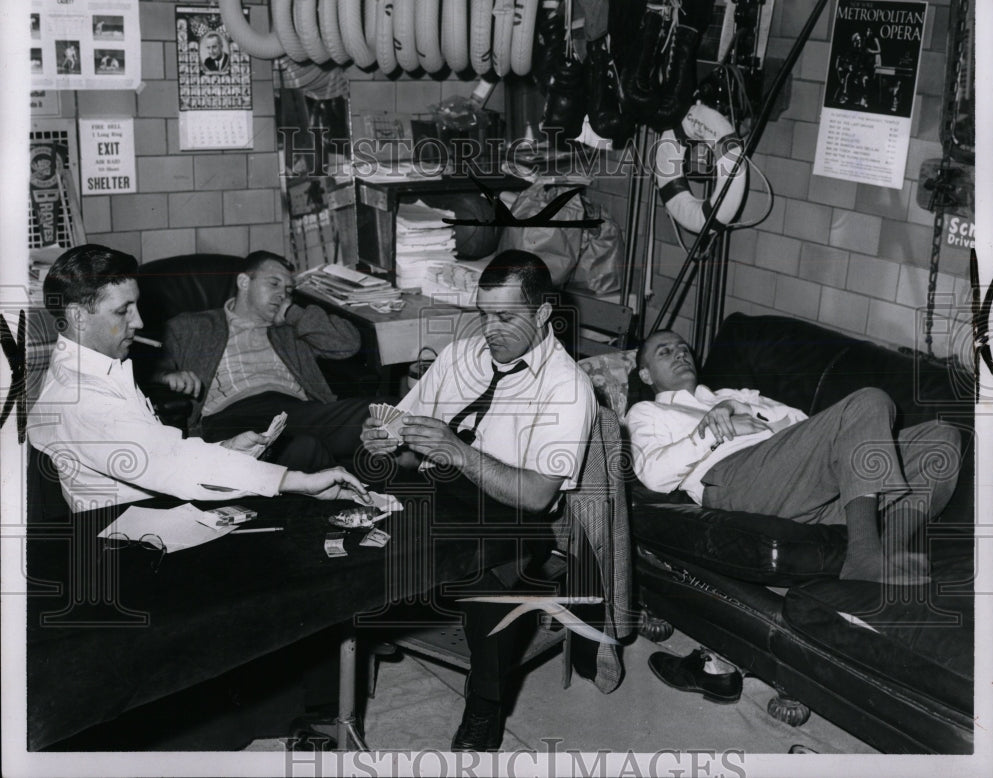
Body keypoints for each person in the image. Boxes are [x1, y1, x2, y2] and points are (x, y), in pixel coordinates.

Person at [360, 250, 596, 751]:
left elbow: (535, 495)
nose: (490, 330)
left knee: (495, 570)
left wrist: (457, 452)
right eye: (484, 314)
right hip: (439, 486)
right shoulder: (459, 356)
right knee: (348, 514)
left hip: (512, 511)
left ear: (544, 314)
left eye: (506, 317)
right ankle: (359, 638)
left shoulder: (568, 389)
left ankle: (484, 709)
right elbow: (402, 444)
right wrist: (384, 441)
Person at [27, 245, 369, 514]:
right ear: (77, 317)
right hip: (125, 537)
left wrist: (227, 449)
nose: (140, 322)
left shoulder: (99, 364)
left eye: (136, 306)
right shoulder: (80, 396)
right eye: (123, 311)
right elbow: (169, 466)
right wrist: (294, 481)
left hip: (150, 512)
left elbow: (160, 450)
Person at [625, 330, 962, 584]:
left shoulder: (734, 395)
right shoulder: (647, 411)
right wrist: (715, 431)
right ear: (645, 374)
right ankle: (864, 557)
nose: (680, 354)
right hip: (735, 480)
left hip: (799, 481)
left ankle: (890, 548)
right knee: (870, 400)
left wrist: (738, 410)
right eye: (665, 352)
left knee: (942, 440)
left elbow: (803, 422)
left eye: (683, 348)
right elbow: (653, 474)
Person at [153, 251, 369, 472]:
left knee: (382, 411)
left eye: (288, 290)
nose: (282, 295)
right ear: (244, 282)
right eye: (273, 284)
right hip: (229, 418)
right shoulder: (192, 326)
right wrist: (167, 376)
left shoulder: (290, 330)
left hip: (294, 411)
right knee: (305, 449)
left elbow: (348, 344)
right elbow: (148, 367)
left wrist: (293, 313)